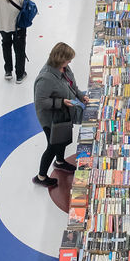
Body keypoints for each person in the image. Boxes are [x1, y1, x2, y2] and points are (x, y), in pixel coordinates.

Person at [33, 42, 89, 186]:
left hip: (64, 113)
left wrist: (81, 96)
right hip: (51, 119)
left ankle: (60, 162)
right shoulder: (46, 78)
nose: (70, 62)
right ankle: (41, 177)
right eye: (68, 59)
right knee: (52, 146)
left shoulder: (64, 68)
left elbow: (72, 86)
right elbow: (41, 102)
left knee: (62, 139)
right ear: (60, 59)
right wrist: (61, 102)